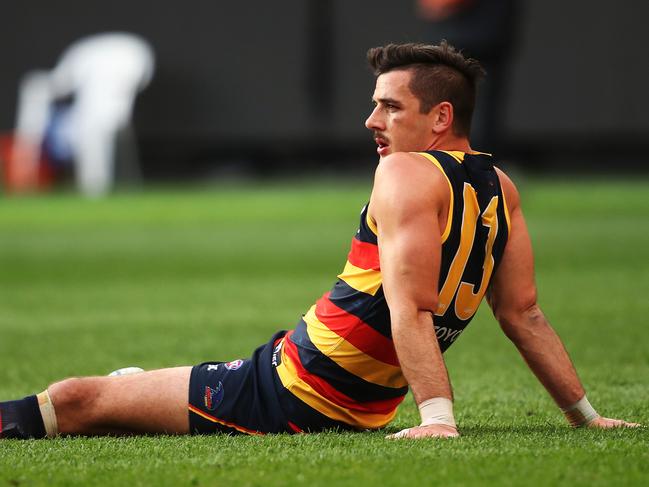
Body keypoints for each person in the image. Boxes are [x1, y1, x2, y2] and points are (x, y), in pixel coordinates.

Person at [0, 42, 639, 440]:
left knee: (77, 400)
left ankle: (125, 394)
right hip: (335, 394)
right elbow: (522, 313)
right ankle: (138, 393)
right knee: (106, 404)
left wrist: (438, 423)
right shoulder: (500, 183)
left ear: (440, 117)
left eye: (390, 106)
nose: (371, 121)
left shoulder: (403, 171)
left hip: (288, 391)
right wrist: (586, 417)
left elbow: (410, 307)